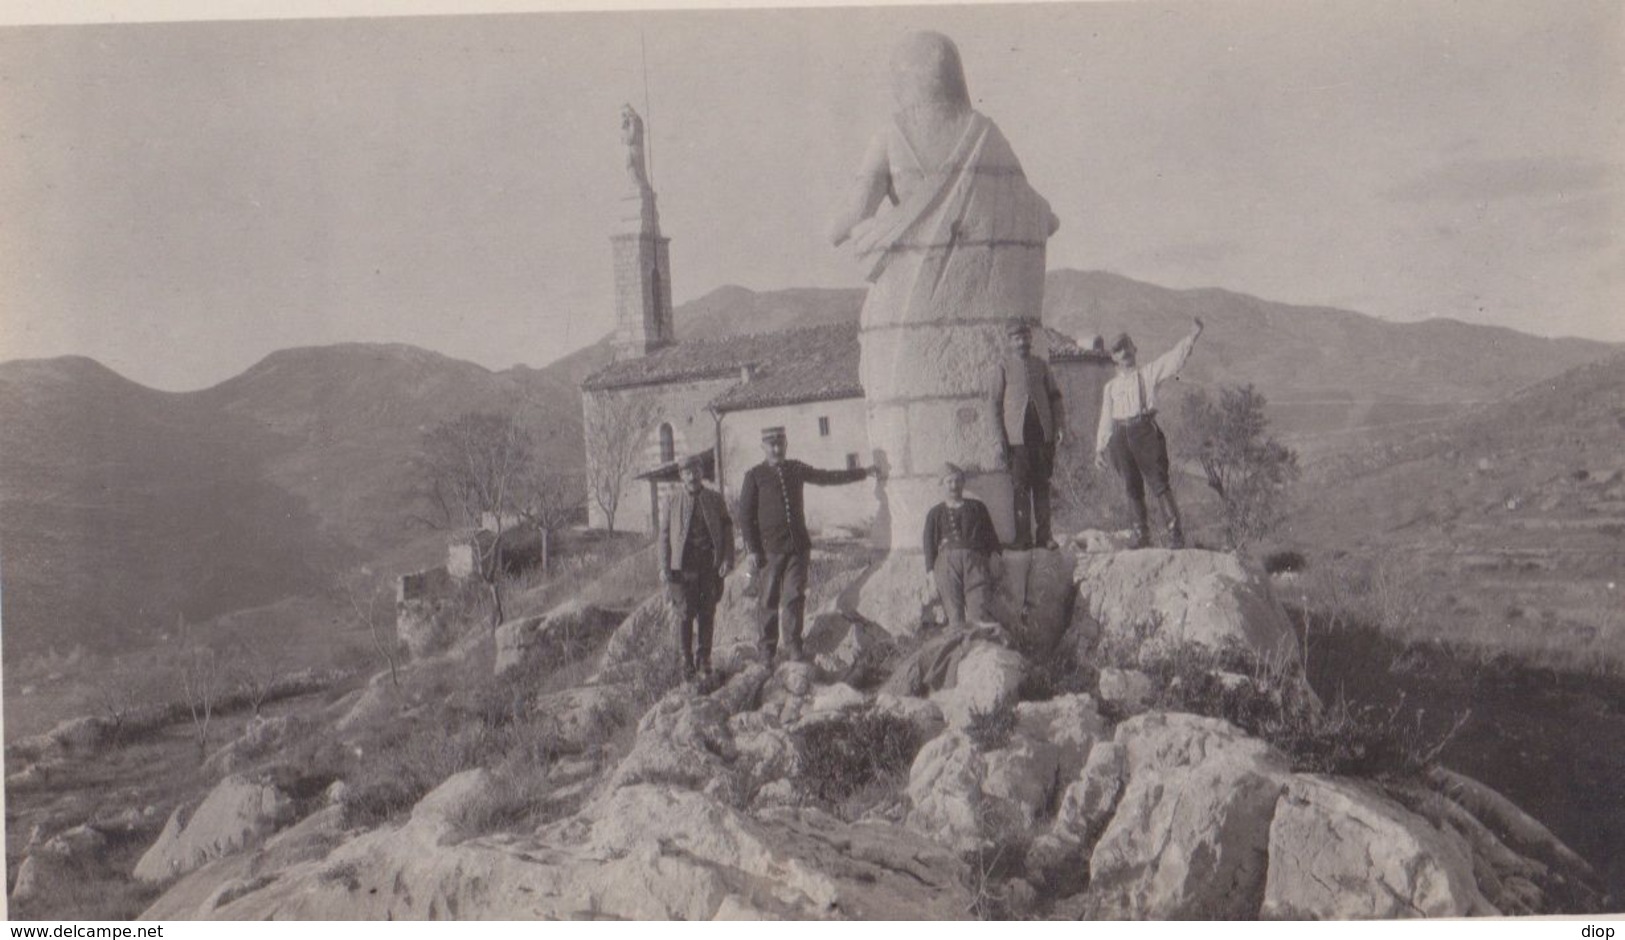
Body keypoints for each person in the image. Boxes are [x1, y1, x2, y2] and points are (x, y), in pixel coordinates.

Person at [739, 427, 875, 665]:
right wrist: (752, 549)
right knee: (768, 599)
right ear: (763, 447)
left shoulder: (795, 469)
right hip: (769, 550)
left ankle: (793, 647)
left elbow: (826, 477)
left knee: (794, 596)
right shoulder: (754, 475)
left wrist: (863, 472)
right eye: (771, 444)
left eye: (780, 443)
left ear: (786, 444)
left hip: (798, 547)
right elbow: (745, 516)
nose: (776, 448)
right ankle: (767, 652)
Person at [1094, 318, 1205, 548]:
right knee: (1131, 486)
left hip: (1144, 431)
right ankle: (1140, 535)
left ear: (1134, 349)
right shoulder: (1111, 388)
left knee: (1159, 482)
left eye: (1126, 346)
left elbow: (1173, 361)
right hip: (1120, 436)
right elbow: (1106, 417)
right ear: (1113, 357)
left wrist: (1191, 337)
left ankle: (1175, 534)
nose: (1123, 352)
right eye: (1118, 350)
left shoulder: (1148, 374)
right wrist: (1100, 448)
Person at [658, 453, 734, 683]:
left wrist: (727, 559)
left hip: (709, 566)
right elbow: (663, 535)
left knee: (707, 613)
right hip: (682, 568)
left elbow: (728, 529)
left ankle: (704, 658)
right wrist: (664, 565)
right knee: (684, 613)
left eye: (696, 471)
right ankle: (686, 661)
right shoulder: (672, 501)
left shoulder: (715, 499)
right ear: (681, 476)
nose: (692, 476)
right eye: (687, 472)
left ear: (702, 472)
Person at [991, 319, 1065, 550]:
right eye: (1016, 339)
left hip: (1042, 435)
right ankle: (1023, 538)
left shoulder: (1041, 365)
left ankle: (1045, 536)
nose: (1022, 342)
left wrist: (1059, 426)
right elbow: (994, 404)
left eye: (1025, 338)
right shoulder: (1003, 367)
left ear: (1030, 339)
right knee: (1020, 489)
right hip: (1017, 440)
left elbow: (1055, 398)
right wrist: (999, 438)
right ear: (1010, 342)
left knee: (1042, 486)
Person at [922, 463, 1002, 625]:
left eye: (958, 481)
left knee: (979, 614)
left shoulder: (977, 507)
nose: (954, 486)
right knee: (955, 616)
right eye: (949, 482)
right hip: (947, 563)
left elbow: (990, 535)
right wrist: (931, 575)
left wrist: (995, 556)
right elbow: (929, 545)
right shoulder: (935, 513)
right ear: (942, 485)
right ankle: (959, 648)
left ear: (963, 483)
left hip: (975, 562)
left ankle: (979, 647)